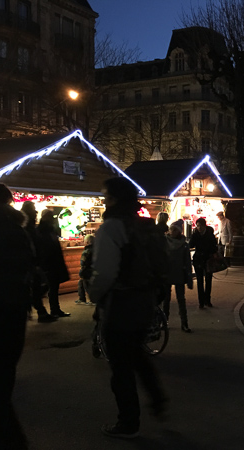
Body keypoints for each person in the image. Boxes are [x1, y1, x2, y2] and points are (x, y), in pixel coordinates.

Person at [88, 177, 169, 439]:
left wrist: (94, 294)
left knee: (120, 365)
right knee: (136, 352)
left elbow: (105, 271)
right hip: (145, 298)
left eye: (107, 196)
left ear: (115, 199)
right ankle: (157, 399)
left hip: (121, 301)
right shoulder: (145, 225)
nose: (104, 201)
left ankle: (128, 420)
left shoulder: (111, 228)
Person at [0, 183, 34, 450]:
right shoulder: (18, 231)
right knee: (1, 377)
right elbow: (30, 269)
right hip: (13, 313)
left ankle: (0, 435)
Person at [20, 200, 57, 323]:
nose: (36, 212)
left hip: (34, 262)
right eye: (33, 209)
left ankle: (36, 310)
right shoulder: (28, 227)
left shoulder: (31, 226)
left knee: (38, 286)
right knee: (37, 287)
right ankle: (39, 311)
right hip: (32, 262)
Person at [35, 209, 71, 318]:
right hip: (49, 263)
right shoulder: (43, 230)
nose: (52, 219)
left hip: (51, 263)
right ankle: (48, 309)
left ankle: (54, 309)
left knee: (53, 287)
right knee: (49, 287)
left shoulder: (47, 230)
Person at [164, 220, 194, 332]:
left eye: (174, 230)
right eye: (171, 229)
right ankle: (164, 321)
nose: (172, 232)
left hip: (178, 273)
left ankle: (184, 322)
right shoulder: (165, 242)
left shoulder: (183, 245)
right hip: (168, 273)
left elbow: (187, 261)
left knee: (180, 299)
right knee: (166, 299)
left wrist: (189, 277)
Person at [189, 217, 217, 309]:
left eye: (200, 226)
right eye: (197, 226)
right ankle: (201, 301)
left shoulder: (210, 234)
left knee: (208, 280)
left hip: (208, 259)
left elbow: (214, 247)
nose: (199, 228)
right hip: (198, 259)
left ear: (205, 226)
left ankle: (207, 300)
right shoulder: (195, 234)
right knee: (200, 281)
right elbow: (191, 245)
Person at [75, 234, 95, 305]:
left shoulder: (86, 251)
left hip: (86, 271)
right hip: (93, 270)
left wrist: (81, 270)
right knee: (81, 283)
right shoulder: (96, 249)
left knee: (86, 285)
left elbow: (83, 262)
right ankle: (82, 298)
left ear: (87, 242)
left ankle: (92, 300)